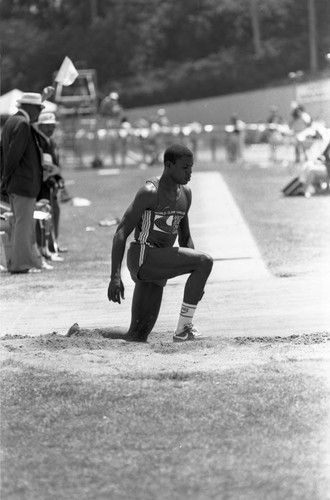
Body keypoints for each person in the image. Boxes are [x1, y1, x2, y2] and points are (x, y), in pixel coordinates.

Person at [106, 143, 213, 342]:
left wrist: (198, 278)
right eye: (184, 167)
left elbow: (185, 237)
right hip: (143, 257)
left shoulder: (186, 193)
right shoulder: (150, 192)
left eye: (191, 167)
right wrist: (115, 276)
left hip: (159, 263)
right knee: (205, 260)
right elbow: (121, 232)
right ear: (168, 165)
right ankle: (183, 329)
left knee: (138, 334)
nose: (189, 173)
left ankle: (83, 335)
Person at [0, 92, 48, 273]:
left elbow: (4, 154)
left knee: (23, 224)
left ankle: (24, 262)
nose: (39, 112)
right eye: (38, 108)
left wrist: (5, 178)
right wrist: (6, 177)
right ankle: (21, 265)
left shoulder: (12, 122)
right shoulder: (22, 124)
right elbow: (13, 155)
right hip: (23, 183)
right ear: (28, 107)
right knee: (22, 225)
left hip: (17, 183)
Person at [35, 111, 66, 260]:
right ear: (39, 126)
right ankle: (46, 247)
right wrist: (51, 179)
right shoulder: (40, 142)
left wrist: (59, 178)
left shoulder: (51, 142)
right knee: (45, 216)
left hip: (52, 183)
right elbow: (44, 166)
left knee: (55, 213)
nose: (50, 129)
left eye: (52, 125)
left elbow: (54, 164)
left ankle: (54, 243)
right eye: (47, 126)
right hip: (43, 185)